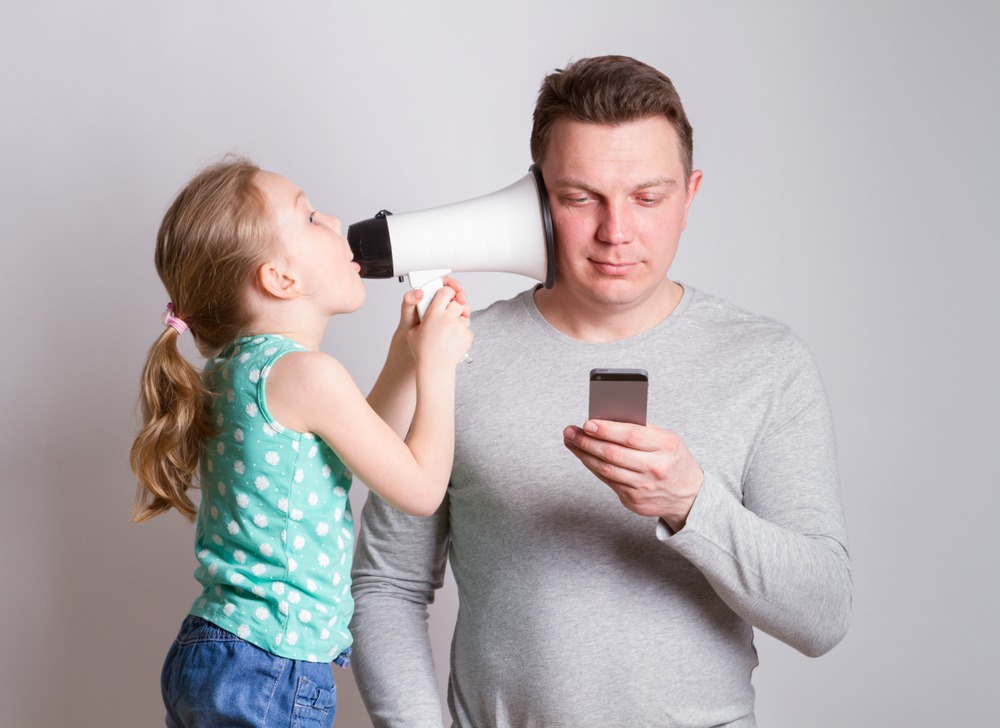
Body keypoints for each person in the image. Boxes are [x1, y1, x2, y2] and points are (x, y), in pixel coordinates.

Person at [349, 55, 852, 727]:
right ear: (538, 198)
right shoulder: (451, 354)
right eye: (581, 197)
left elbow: (822, 616)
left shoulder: (766, 363)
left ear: (690, 194)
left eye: (649, 197)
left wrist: (691, 504)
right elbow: (388, 584)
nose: (617, 232)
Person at [129, 157, 473, 728]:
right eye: (310, 216)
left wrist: (404, 357)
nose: (335, 220)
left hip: (218, 651)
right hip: (270, 666)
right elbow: (420, 488)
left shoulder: (237, 371)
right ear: (279, 279)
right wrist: (438, 368)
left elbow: (362, 449)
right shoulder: (307, 375)